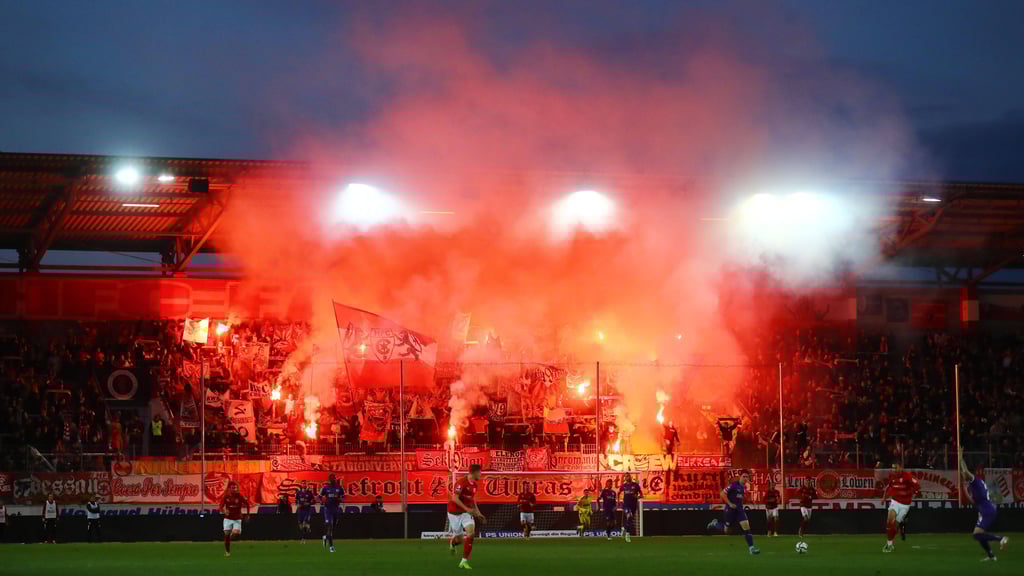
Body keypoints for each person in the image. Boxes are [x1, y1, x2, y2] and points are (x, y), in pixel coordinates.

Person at [958, 448, 1008, 561]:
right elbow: (973, 501)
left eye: (962, 473)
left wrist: (960, 458)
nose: (962, 474)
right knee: (979, 535)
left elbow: (965, 471)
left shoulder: (974, 480)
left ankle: (1000, 539)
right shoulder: (976, 484)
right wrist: (965, 490)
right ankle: (991, 556)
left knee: (976, 535)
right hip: (984, 510)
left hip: (987, 510)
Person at [707, 470, 760, 555]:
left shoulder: (744, 487)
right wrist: (730, 503)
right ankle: (715, 523)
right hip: (730, 510)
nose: (745, 479)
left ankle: (751, 548)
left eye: (747, 477)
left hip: (739, 510)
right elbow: (722, 494)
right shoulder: (733, 485)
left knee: (747, 528)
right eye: (744, 476)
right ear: (740, 477)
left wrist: (750, 500)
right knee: (727, 531)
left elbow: (740, 497)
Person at [448, 463, 485, 571]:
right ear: (475, 472)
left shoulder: (474, 485)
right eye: (480, 472)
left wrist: (479, 514)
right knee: (459, 540)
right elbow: (455, 498)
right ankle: (452, 543)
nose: (481, 474)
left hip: (466, 514)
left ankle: (464, 561)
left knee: (471, 534)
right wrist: (467, 509)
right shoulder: (461, 483)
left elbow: (472, 501)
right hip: (454, 514)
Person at [882, 462, 919, 553]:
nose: (894, 470)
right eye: (893, 468)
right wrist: (884, 498)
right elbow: (889, 487)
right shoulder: (892, 476)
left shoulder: (907, 476)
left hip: (905, 505)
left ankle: (890, 541)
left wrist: (912, 493)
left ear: (901, 467)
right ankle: (889, 545)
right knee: (890, 521)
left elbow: (917, 486)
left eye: (896, 468)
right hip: (895, 501)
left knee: (895, 526)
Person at [220, 481, 250, 557]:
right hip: (228, 518)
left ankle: (230, 537)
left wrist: (247, 514)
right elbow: (220, 506)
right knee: (226, 535)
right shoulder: (226, 496)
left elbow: (247, 504)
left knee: (236, 533)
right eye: (233, 488)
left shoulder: (239, 496)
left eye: (236, 488)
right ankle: (227, 552)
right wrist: (224, 511)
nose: (235, 489)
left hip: (237, 518)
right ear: (229, 488)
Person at [320, 473, 344, 553]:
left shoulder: (339, 488)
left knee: (333, 527)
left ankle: (325, 537)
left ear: (335, 479)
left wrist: (340, 499)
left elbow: (343, 497)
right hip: (328, 510)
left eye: (333, 478)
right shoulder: (325, 488)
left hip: (336, 509)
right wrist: (322, 500)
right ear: (329, 480)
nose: (332, 480)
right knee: (329, 527)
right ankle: (331, 547)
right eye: (331, 479)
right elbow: (321, 496)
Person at [618, 473, 643, 543]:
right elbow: (618, 493)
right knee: (629, 516)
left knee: (630, 520)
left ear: (630, 477)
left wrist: (637, 497)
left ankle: (624, 528)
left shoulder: (635, 485)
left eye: (628, 476)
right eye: (625, 477)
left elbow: (641, 495)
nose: (627, 478)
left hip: (633, 505)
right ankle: (627, 535)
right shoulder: (623, 485)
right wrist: (618, 501)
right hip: (626, 505)